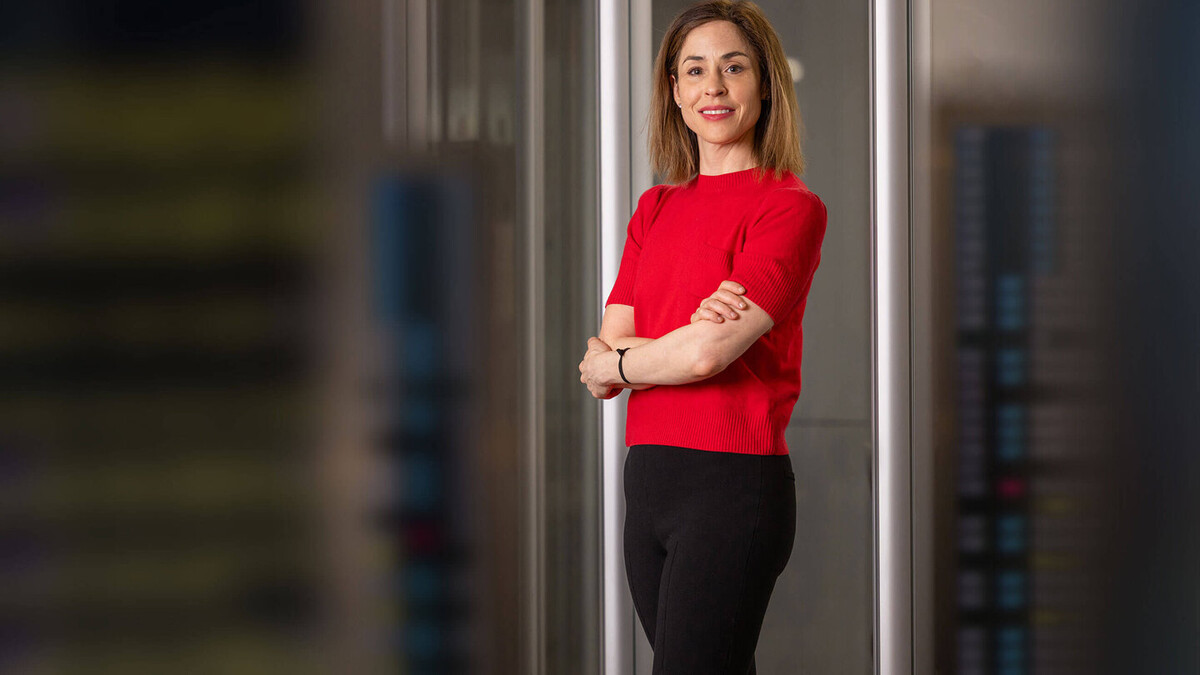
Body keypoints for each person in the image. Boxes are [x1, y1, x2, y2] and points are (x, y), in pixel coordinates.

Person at [577, 1, 827, 672]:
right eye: (694, 70)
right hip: (649, 479)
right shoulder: (655, 207)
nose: (712, 86)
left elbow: (702, 354)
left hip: (731, 484)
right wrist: (680, 339)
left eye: (733, 67)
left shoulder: (788, 207)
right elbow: (606, 350)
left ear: (765, 84)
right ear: (675, 92)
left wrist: (641, 358)